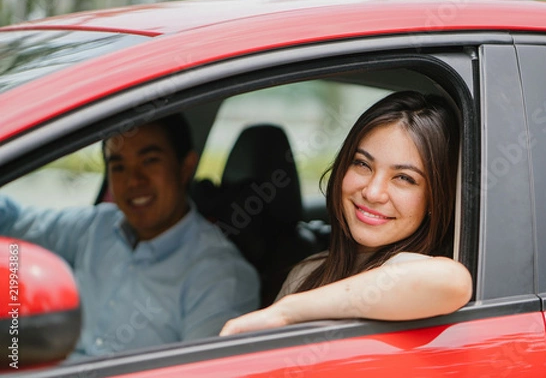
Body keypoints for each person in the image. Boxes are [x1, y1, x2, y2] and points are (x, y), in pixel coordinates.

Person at [0, 114, 260, 357]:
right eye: (119, 166)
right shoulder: (95, 228)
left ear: (185, 167)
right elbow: (13, 222)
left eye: (149, 161)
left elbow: (207, 371)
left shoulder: (221, 276)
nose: (134, 181)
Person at [219, 91, 472, 336]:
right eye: (362, 164)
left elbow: (452, 281)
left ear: (436, 197)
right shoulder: (308, 273)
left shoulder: (426, 273)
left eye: (404, 178)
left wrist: (287, 311)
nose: (373, 192)